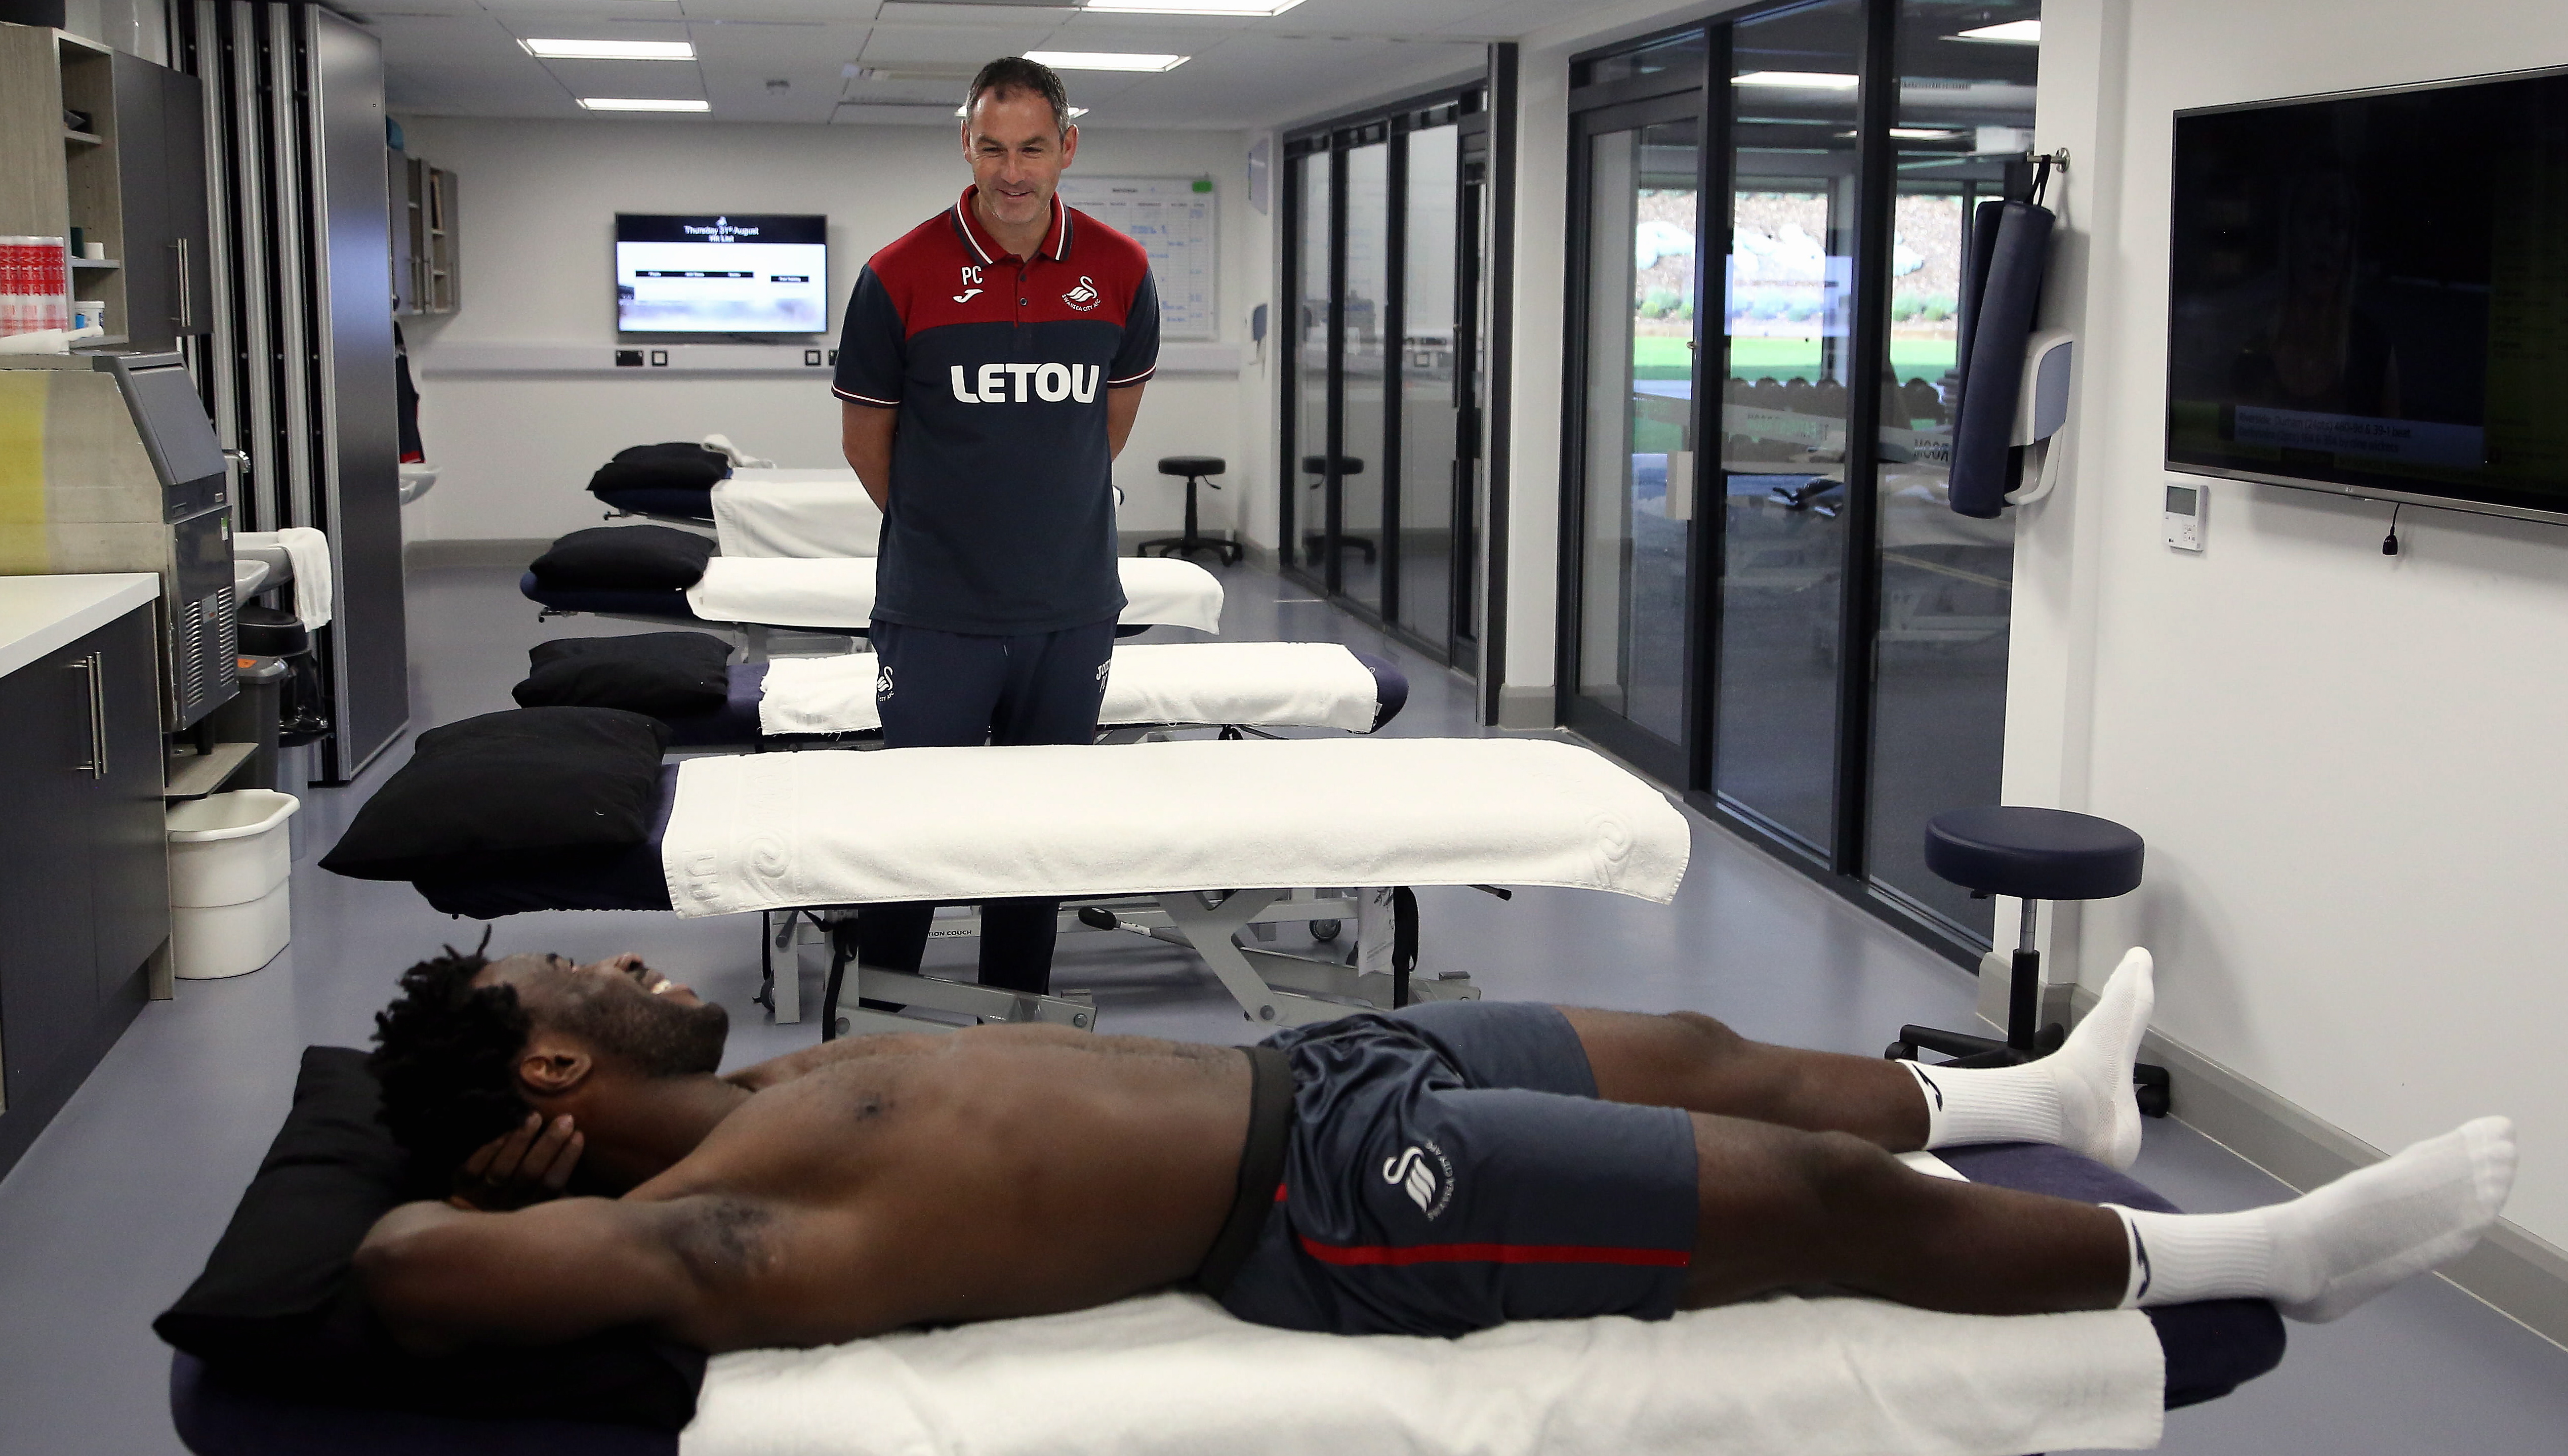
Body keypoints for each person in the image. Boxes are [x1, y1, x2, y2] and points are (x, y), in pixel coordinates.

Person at [355, 943, 2515, 1355]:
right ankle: (2261, 1261)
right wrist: (487, 1194)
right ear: (550, 1088)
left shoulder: (750, 1093)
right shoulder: (710, 1217)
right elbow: (385, 1263)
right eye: (580, 968)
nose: (630, 952)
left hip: (1332, 1060)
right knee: (1795, 1208)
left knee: (1697, 1044)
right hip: (1304, 1199)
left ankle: (2039, 1103)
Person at [829, 56, 1159, 997]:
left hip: (1071, 609)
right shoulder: (897, 275)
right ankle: (886, 1021)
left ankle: (1017, 1033)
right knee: (916, 835)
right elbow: (867, 443)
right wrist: (954, 533)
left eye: (1032, 149)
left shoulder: (1121, 269)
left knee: (1036, 841)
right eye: (992, 148)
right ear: (964, 147)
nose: (1012, 172)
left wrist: (1038, 518)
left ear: (1066, 148)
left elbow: (1108, 424)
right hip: (936, 612)